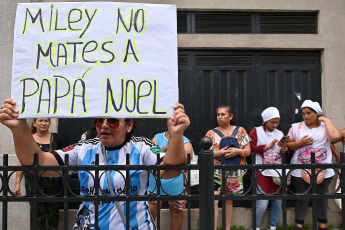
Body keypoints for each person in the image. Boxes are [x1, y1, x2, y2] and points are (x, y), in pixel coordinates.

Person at [0, 98, 190, 230]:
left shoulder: (143, 146)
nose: (104, 125)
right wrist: (19, 129)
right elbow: (38, 163)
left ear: (129, 125)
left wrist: (176, 135)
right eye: (100, 120)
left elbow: (170, 170)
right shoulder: (84, 148)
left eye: (113, 121)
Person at [286, 100, 341, 230]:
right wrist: (301, 143)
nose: (306, 116)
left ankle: (323, 226)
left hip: (323, 169)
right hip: (300, 169)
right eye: (303, 113)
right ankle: (299, 226)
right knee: (302, 198)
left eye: (309, 113)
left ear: (317, 113)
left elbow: (335, 137)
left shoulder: (325, 127)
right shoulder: (296, 127)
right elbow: (289, 145)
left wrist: (326, 121)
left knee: (322, 198)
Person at [12, 118, 65, 230]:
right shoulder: (29, 139)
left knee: (53, 214)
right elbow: (22, 161)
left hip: (53, 182)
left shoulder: (56, 138)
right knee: (37, 215)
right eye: (40, 121)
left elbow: (64, 158)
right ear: (34, 123)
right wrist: (17, 184)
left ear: (50, 123)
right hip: (33, 183)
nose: (43, 123)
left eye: (46, 121)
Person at [205, 105, 251, 230]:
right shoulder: (211, 133)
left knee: (228, 201)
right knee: (214, 200)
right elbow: (206, 154)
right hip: (216, 172)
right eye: (218, 114)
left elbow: (248, 151)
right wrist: (219, 153)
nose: (219, 117)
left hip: (235, 173)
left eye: (223, 114)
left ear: (231, 116)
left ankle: (227, 228)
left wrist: (238, 151)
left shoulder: (240, 131)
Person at [249, 107, 290, 230]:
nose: (275, 124)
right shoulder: (256, 131)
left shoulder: (280, 133)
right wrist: (266, 146)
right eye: (272, 122)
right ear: (265, 121)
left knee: (277, 201)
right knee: (262, 203)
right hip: (261, 172)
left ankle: (272, 226)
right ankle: (255, 226)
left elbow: (285, 154)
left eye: (277, 122)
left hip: (277, 172)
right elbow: (250, 147)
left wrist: (284, 148)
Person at [148, 125, 194, 230]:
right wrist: (170, 153)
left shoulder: (185, 141)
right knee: (151, 212)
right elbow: (150, 154)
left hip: (175, 185)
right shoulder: (158, 137)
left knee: (176, 212)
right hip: (155, 184)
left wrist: (164, 153)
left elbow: (186, 158)